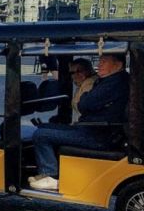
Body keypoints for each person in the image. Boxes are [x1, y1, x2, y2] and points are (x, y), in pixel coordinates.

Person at [30, 53, 130, 191]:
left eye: (104, 61)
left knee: (41, 135)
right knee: (45, 127)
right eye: (99, 61)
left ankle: (51, 175)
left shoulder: (113, 83)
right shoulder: (113, 80)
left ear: (118, 65)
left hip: (97, 134)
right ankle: (45, 171)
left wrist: (85, 97)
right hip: (96, 130)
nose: (99, 64)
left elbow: (85, 104)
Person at [69, 58, 97, 123]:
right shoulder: (83, 84)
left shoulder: (89, 83)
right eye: (72, 72)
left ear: (88, 70)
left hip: (87, 125)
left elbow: (83, 107)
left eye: (79, 71)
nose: (75, 75)